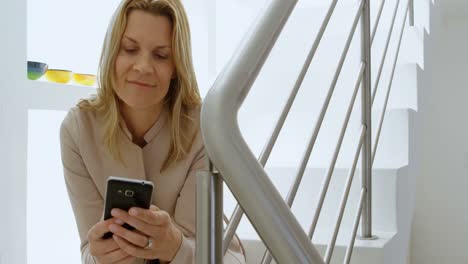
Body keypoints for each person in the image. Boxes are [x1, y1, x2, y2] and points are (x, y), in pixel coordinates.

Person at [59, 0, 246, 263]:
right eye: (130, 49)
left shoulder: (202, 128)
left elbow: (209, 250)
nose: (143, 66)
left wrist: (175, 247)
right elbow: (89, 249)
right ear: (113, 53)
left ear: (175, 67)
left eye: (160, 55)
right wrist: (99, 257)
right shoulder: (78, 129)